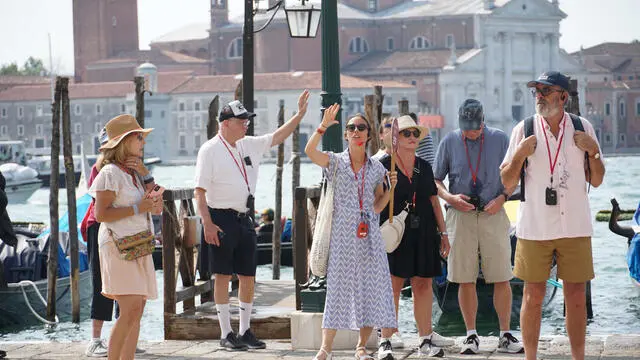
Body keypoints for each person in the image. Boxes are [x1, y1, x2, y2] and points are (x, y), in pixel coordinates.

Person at [500, 71, 605, 360]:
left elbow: (596, 180)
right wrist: (520, 154)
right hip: (535, 227)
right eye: (537, 90)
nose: (540, 95)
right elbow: (507, 183)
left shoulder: (583, 127)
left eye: (546, 90)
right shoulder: (524, 129)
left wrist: (594, 152)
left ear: (563, 96)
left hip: (575, 224)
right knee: (533, 297)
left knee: (576, 299)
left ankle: (578, 358)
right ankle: (531, 358)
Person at [194, 90, 310, 351]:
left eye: (247, 120)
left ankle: (245, 329)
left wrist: (299, 115)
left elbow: (278, 136)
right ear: (225, 123)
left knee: (248, 276)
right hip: (219, 217)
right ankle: (226, 333)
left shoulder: (248, 144)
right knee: (222, 276)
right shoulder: (209, 150)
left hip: (244, 217)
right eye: (242, 120)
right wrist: (208, 224)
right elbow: (199, 192)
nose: (247, 124)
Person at [305, 105, 398, 360]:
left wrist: (389, 192)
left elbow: (378, 203)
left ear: (369, 135)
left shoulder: (377, 169)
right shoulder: (335, 162)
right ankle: (326, 348)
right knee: (336, 291)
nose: (356, 132)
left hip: (369, 238)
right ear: (346, 135)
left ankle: (361, 347)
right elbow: (309, 151)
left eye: (361, 128)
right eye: (351, 128)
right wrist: (323, 125)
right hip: (342, 237)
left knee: (368, 292)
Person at [433, 99, 523, 355]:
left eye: (474, 126)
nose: (470, 131)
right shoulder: (449, 141)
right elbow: (436, 180)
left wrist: (503, 198)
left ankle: (505, 334)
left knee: (502, 276)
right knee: (464, 277)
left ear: (483, 121)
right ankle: (471, 335)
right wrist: (450, 199)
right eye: (465, 126)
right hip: (460, 215)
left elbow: (516, 174)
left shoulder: (501, 139)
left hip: (494, 213)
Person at [89, 114, 162, 360]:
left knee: (137, 309)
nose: (143, 141)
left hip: (137, 244)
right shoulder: (109, 173)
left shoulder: (133, 173)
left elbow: (159, 205)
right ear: (124, 141)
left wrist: (145, 173)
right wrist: (137, 208)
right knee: (130, 309)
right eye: (138, 137)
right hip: (118, 246)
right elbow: (100, 214)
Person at [379, 115, 452, 357]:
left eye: (415, 134)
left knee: (423, 285)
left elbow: (434, 201)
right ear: (395, 138)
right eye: (406, 133)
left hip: (424, 232)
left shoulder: (425, 166)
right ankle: (386, 340)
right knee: (393, 287)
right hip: (395, 233)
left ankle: (424, 341)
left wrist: (444, 234)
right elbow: (375, 203)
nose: (412, 138)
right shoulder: (384, 166)